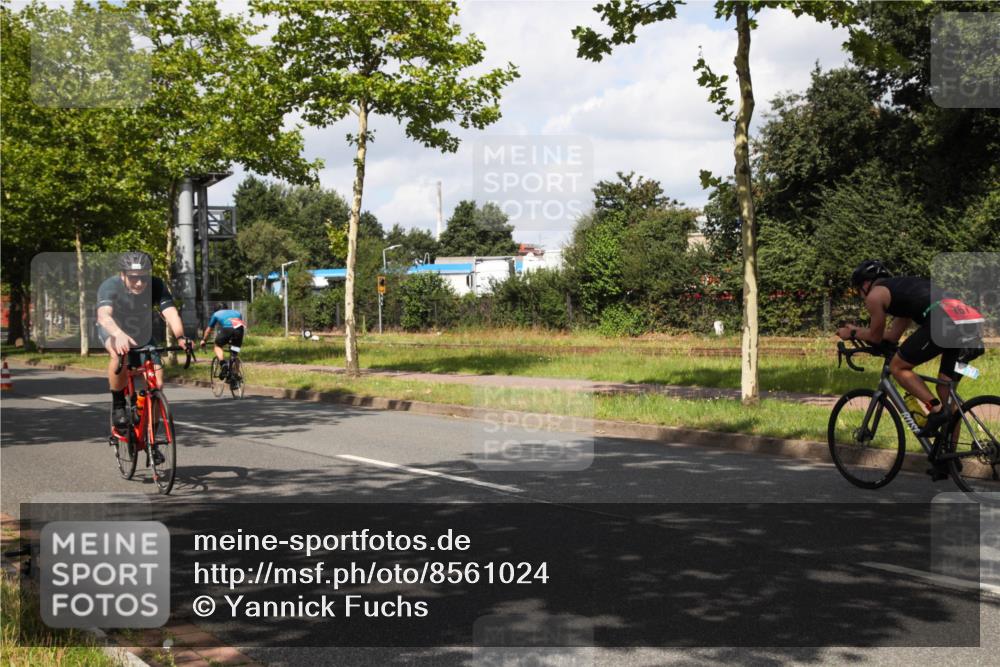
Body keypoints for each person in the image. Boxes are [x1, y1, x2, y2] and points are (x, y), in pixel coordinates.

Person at [836, 260, 985, 476]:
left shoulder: (874, 296)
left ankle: (934, 410)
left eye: (859, 290)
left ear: (865, 284)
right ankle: (949, 458)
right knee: (945, 390)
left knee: (899, 367)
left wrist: (851, 333)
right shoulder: (902, 292)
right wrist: (862, 333)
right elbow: (891, 336)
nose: (861, 295)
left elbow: (876, 336)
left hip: (944, 321)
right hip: (967, 320)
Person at [96, 252, 190, 432]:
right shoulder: (110, 286)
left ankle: (151, 438)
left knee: (157, 385)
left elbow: (170, 312)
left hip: (142, 334)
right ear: (122, 274)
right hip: (113, 329)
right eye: (133, 278)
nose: (139, 282)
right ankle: (118, 404)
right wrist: (118, 333)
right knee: (118, 353)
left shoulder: (156, 285)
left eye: (144, 277)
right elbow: (103, 315)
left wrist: (180, 336)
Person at [201, 302, 245, 381]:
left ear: (216, 309)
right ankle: (235, 376)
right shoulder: (237, 312)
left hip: (226, 330)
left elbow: (209, 330)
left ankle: (223, 364)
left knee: (217, 345)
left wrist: (204, 340)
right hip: (239, 330)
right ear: (227, 307)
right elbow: (237, 324)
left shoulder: (216, 314)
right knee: (234, 354)